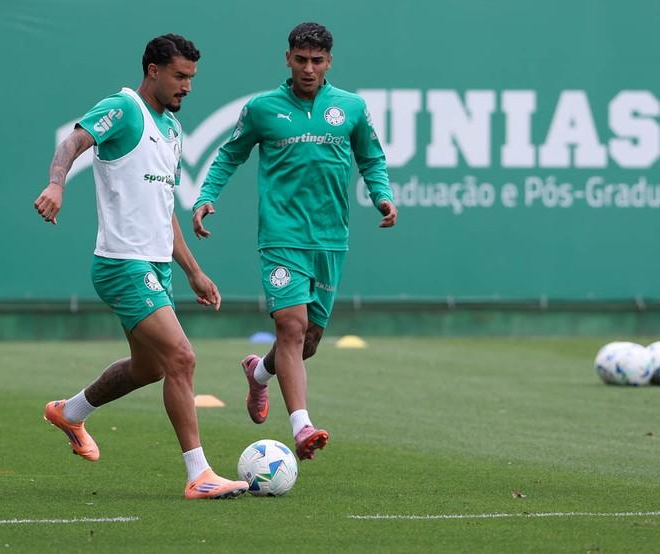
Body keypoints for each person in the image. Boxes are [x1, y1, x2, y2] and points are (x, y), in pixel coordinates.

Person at [33, 34, 248, 500]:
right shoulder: (125, 108)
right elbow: (73, 142)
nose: (187, 86)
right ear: (153, 70)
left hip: (156, 266)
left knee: (150, 368)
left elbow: (163, 210)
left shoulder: (173, 130)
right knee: (182, 358)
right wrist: (57, 185)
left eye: (192, 77)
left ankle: (70, 412)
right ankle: (199, 475)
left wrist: (193, 271)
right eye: (180, 76)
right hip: (121, 264)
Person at [191, 22, 397, 462]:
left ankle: (259, 374)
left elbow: (371, 158)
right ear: (287, 58)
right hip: (281, 236)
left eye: (316, 61)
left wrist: (382, 195)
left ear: (329, 62)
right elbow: (229, 154)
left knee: (309, 341)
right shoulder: (262, 108)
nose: (308, 69)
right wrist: (207, 196)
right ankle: (302, 427)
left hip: (330, 239)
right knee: (290, 325)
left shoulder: (351, 107)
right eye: (300, 60)